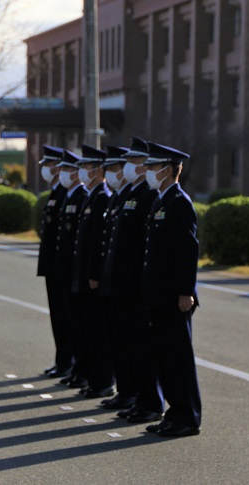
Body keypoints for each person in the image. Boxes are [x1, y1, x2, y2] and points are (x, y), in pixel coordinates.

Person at [99, 137, 163, 422]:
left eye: (131, 163)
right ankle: (129, 393)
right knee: (123, 343)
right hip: (119, 283)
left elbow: (144, 245)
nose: (125, 168)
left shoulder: (149, 195)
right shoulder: (126, 194)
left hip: (134, 284)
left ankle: (148, 401)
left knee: (140, 347)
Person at [141, 141, 202, 437]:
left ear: (168, 169)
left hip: (174, 297)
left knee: (178, 360)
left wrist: (185, 292)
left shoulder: (179, 202)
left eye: (153, 167)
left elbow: (187, 251)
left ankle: (187, 417)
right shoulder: (160, 200)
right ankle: (174, 412)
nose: (148, 171)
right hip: (158, 295)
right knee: (164, 359)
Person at [70, 145, 115, 399]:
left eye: (86, 167)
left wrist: (94, 274)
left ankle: (103, 381)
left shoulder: (102, 197)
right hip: (85, 276)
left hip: (93, 279)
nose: (82, 171)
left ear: (98, 170)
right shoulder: (92, 196)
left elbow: (100, 241)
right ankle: (93, 378)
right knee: (87, 330)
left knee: (98, 332)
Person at [53, 149, 89, 389]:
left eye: (67, 169)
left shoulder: (84, 195)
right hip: (64, 269)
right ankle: (71, 366)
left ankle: (81, 369)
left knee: (81, 325)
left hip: (76, 271)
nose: (62, 173)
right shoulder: (67, 195)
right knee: (65, 320)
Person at [36, 145, 72, 379]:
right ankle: (62, 360)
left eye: (50, 165)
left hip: (64, 268)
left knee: (67, 319)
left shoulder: (67, 193)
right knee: (58, 318)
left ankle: (68, 361)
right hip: (53, 265)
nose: (47, 170)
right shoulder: (57, 193)